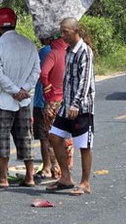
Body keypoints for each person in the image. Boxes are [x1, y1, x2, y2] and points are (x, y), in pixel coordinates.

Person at [0, 7, 40, 188]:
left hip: (3, 100)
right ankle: (30, 177)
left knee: (1, 139)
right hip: (24, 100)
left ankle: (3, 178)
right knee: (25, 138)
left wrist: (13, 90)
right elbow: (36, 71)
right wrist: (23, 89)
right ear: (15, 22)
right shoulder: (29, 44)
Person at [47, 17, 96, 196]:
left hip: (81, 107)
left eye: (65, 32)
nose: (63, 35)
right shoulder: (68, 51)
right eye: (61, 32)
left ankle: (85, 182)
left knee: (83, 145)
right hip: (66, 105)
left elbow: (85, 80)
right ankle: (65, 177)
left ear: (76, 31)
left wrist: (76, 103)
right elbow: (67, 79)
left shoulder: (85, 51)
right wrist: (62, 101)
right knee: (54, 137)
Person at [40, 34, 70, 179]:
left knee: (52, 138)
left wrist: (47, 87)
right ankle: (68, 169)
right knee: (67, 137)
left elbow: (44, 73)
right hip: (67, 101)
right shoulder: (69, 54)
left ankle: (57, 171)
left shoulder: (53, 54)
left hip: (52, 102)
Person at [33, 36, 53, 179]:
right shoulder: (62, 51)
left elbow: (39, 73)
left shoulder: (44, 51)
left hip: (42, 100)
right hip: (56, 100)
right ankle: (59, 166)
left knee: (44, 137)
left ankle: (47, 167)